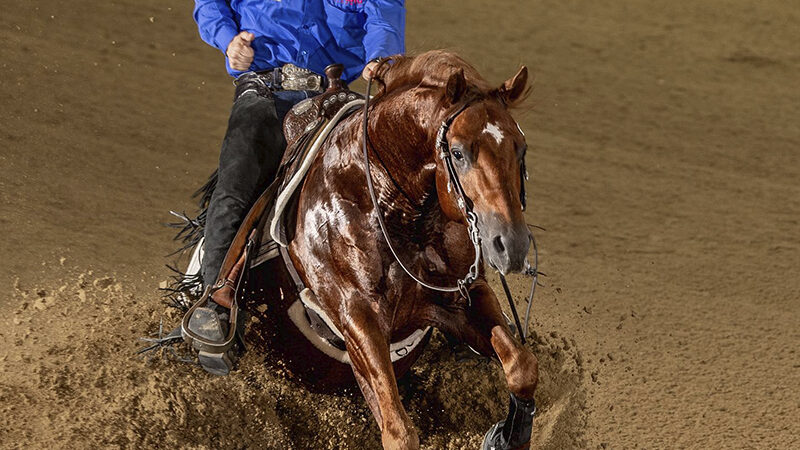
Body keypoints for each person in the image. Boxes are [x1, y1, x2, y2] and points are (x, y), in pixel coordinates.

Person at [193, 0, 406, 309]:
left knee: (396, 180)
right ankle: (211, 308)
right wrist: (228, 39)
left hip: (335, 98)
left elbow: (382, 12)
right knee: (235, 188)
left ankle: (447, 300)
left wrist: (380, 57)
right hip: (265, 92)